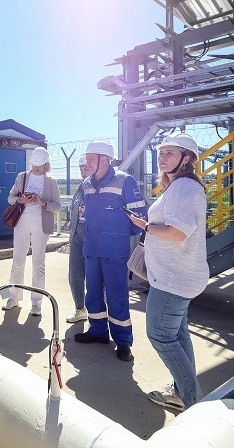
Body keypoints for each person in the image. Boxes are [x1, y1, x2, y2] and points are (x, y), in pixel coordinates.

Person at [126, 133, 208, 411]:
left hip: (173, 279)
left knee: (161, 335)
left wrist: (147, 226)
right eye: (161, 153)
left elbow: (177, 232)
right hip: (176, 275)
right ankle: (181, 391)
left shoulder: (184, 187)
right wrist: (147, 225)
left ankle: (193, 403)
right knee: (179, 335)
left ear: (186, 159)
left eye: (170, 153)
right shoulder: (181, 186)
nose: (162, 158)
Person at [74, 140, 147, 362]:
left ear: (105, 159)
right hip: (91, 248)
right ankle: (98, 331)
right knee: (93, 293)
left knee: (117, 296)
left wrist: (116, 234)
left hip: (114, 251)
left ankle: (123, 341)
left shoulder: (125, 181)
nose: (87, 163)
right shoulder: (86, 184)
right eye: (87, 158)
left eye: (91, 158)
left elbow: (139, 219)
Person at [2, 147, 62, 316]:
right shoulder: (22, 177)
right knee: (17, 260)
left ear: (46, 165)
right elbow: (10, 197)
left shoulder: (51, 182)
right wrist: (20, 200)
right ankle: (13, 297)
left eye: (39, 166)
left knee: (38, 263)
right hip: (21, 222)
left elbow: (57, 207)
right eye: (34, 165)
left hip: (41, 225)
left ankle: (36, 303)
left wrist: (43, 203)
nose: (36, 168)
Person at [67, 154, 92, 323]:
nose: (83, 172)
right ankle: (80, 308)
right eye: (81, 169)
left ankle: (97, 312)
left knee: (95, 277)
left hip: (92, 236)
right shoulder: (79, 188)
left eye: (87, 169)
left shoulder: (99, 188)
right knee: (75, 274)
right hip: (76, 235)